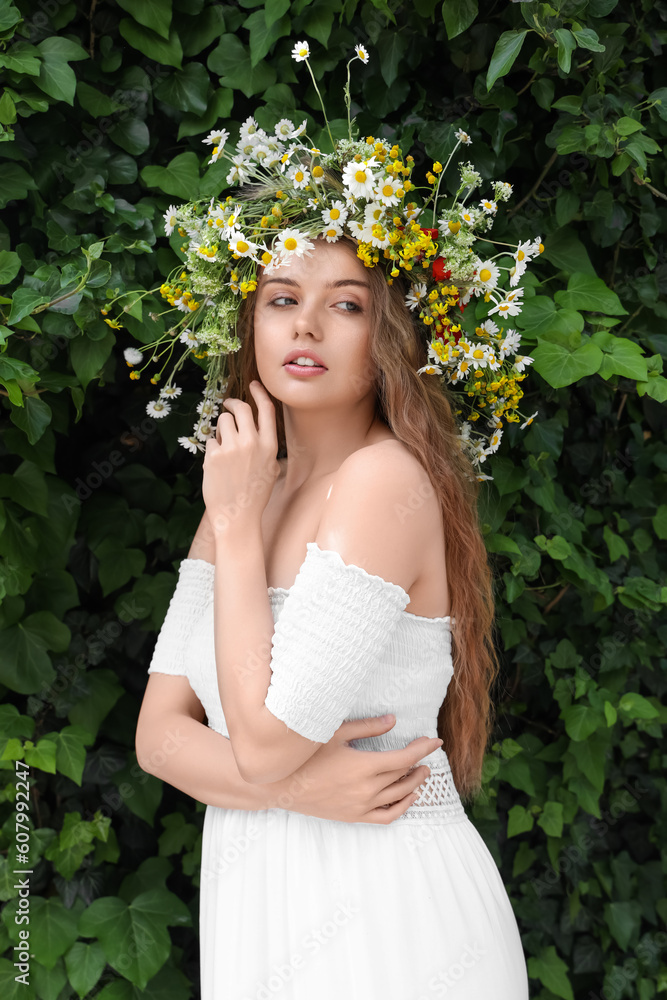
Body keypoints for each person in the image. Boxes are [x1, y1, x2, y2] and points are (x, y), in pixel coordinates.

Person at [135, 233, 530, 998]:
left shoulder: (380, 480)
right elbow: (157, 738)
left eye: (344, 305)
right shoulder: (241, 495)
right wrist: (293, 790)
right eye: (282, 299)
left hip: (386, 906)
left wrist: (239, 529)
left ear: (394, 335)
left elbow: (264, 743)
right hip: (262, 903)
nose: (304, 326)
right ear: (251, 321)